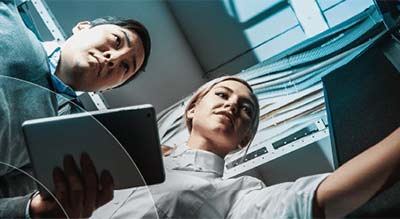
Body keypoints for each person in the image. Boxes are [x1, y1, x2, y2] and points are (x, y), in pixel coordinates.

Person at [92, 76, 400, 218]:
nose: (232, 106)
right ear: (192, 109)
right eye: (223, 95)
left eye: (246, 109)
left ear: (243, 140)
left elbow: (316, 199)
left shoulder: (234, 194)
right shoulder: (132, 153)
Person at [0, 0, 151, 217]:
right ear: (82, 27)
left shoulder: (52, 144)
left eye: (126, 67)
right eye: (117, 41)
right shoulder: (11, 16)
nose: (113, 58)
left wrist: (30, 211)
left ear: (106, 90)